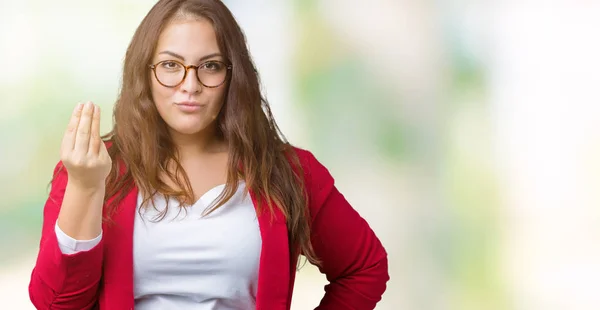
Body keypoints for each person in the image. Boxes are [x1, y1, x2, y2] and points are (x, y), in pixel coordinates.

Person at [28, 0, 389, 309]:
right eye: (171, 65)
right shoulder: (93, 169)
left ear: (234, 75)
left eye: (210, 66)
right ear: (145, 73)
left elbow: (365, 268)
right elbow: (55, 304)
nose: (190, 85)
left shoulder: (288, 171)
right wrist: (86, 188)